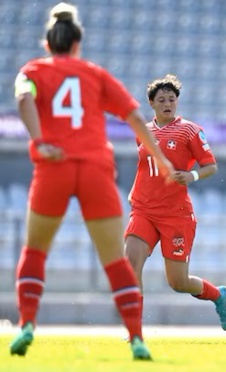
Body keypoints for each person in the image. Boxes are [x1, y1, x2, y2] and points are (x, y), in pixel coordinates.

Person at [9, 2, 174, 360]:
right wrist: (159, 158)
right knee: (114, 259)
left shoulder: (32, 70)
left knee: (35, 251)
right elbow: (132, 114)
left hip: (54, 166)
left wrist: (40, 140)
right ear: (77, 44)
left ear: (48, 43)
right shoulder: (94, 73)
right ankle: (136, 339)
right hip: (95, 168)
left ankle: (26, 325)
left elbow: (24, 99)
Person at [124, 75, 226, 331]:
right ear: (151, 103)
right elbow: (146, 167)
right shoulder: (144, 132)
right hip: (143, 210)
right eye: (161, 99)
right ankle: (134, 332)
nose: (167, 104)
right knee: (131, 265)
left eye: (172, 99)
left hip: (176, 214)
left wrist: (191, 175)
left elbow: (211, 166)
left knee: (178, 282)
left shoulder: (190, 130)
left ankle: (218, 295)